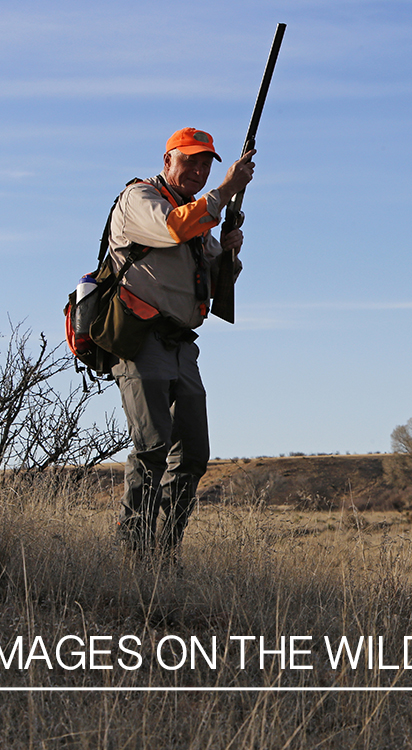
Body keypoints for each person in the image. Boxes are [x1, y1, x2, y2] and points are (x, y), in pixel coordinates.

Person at [107, 127, 255, 561]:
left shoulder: (198, 216)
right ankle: (133, 552)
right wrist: (227, 190)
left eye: (206, 162)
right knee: (153, 449)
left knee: (192, 454)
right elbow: (173, 229)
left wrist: (227, 254)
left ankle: (164, 552)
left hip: (181, 345)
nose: (198, 169)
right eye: (188, 159)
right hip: (140, 336)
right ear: (167, 160)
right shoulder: (141, 199)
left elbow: (210, 282)